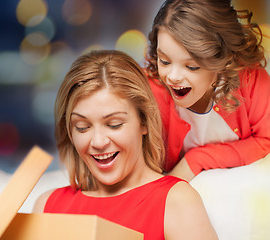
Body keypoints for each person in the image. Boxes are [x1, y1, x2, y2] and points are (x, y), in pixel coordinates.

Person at [32, 50, 218, 239]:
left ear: (143, 121)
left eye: (114, 124)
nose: (98, 142)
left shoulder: (175, 201)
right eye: (82, 127)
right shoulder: (47, 206)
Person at [146, 0, 270, 181]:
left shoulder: (250, 78)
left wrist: (197, 159)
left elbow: (266, 140)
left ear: (223, 60)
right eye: (164, 61)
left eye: (191, 66)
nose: (172, 77)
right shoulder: (147, 92)